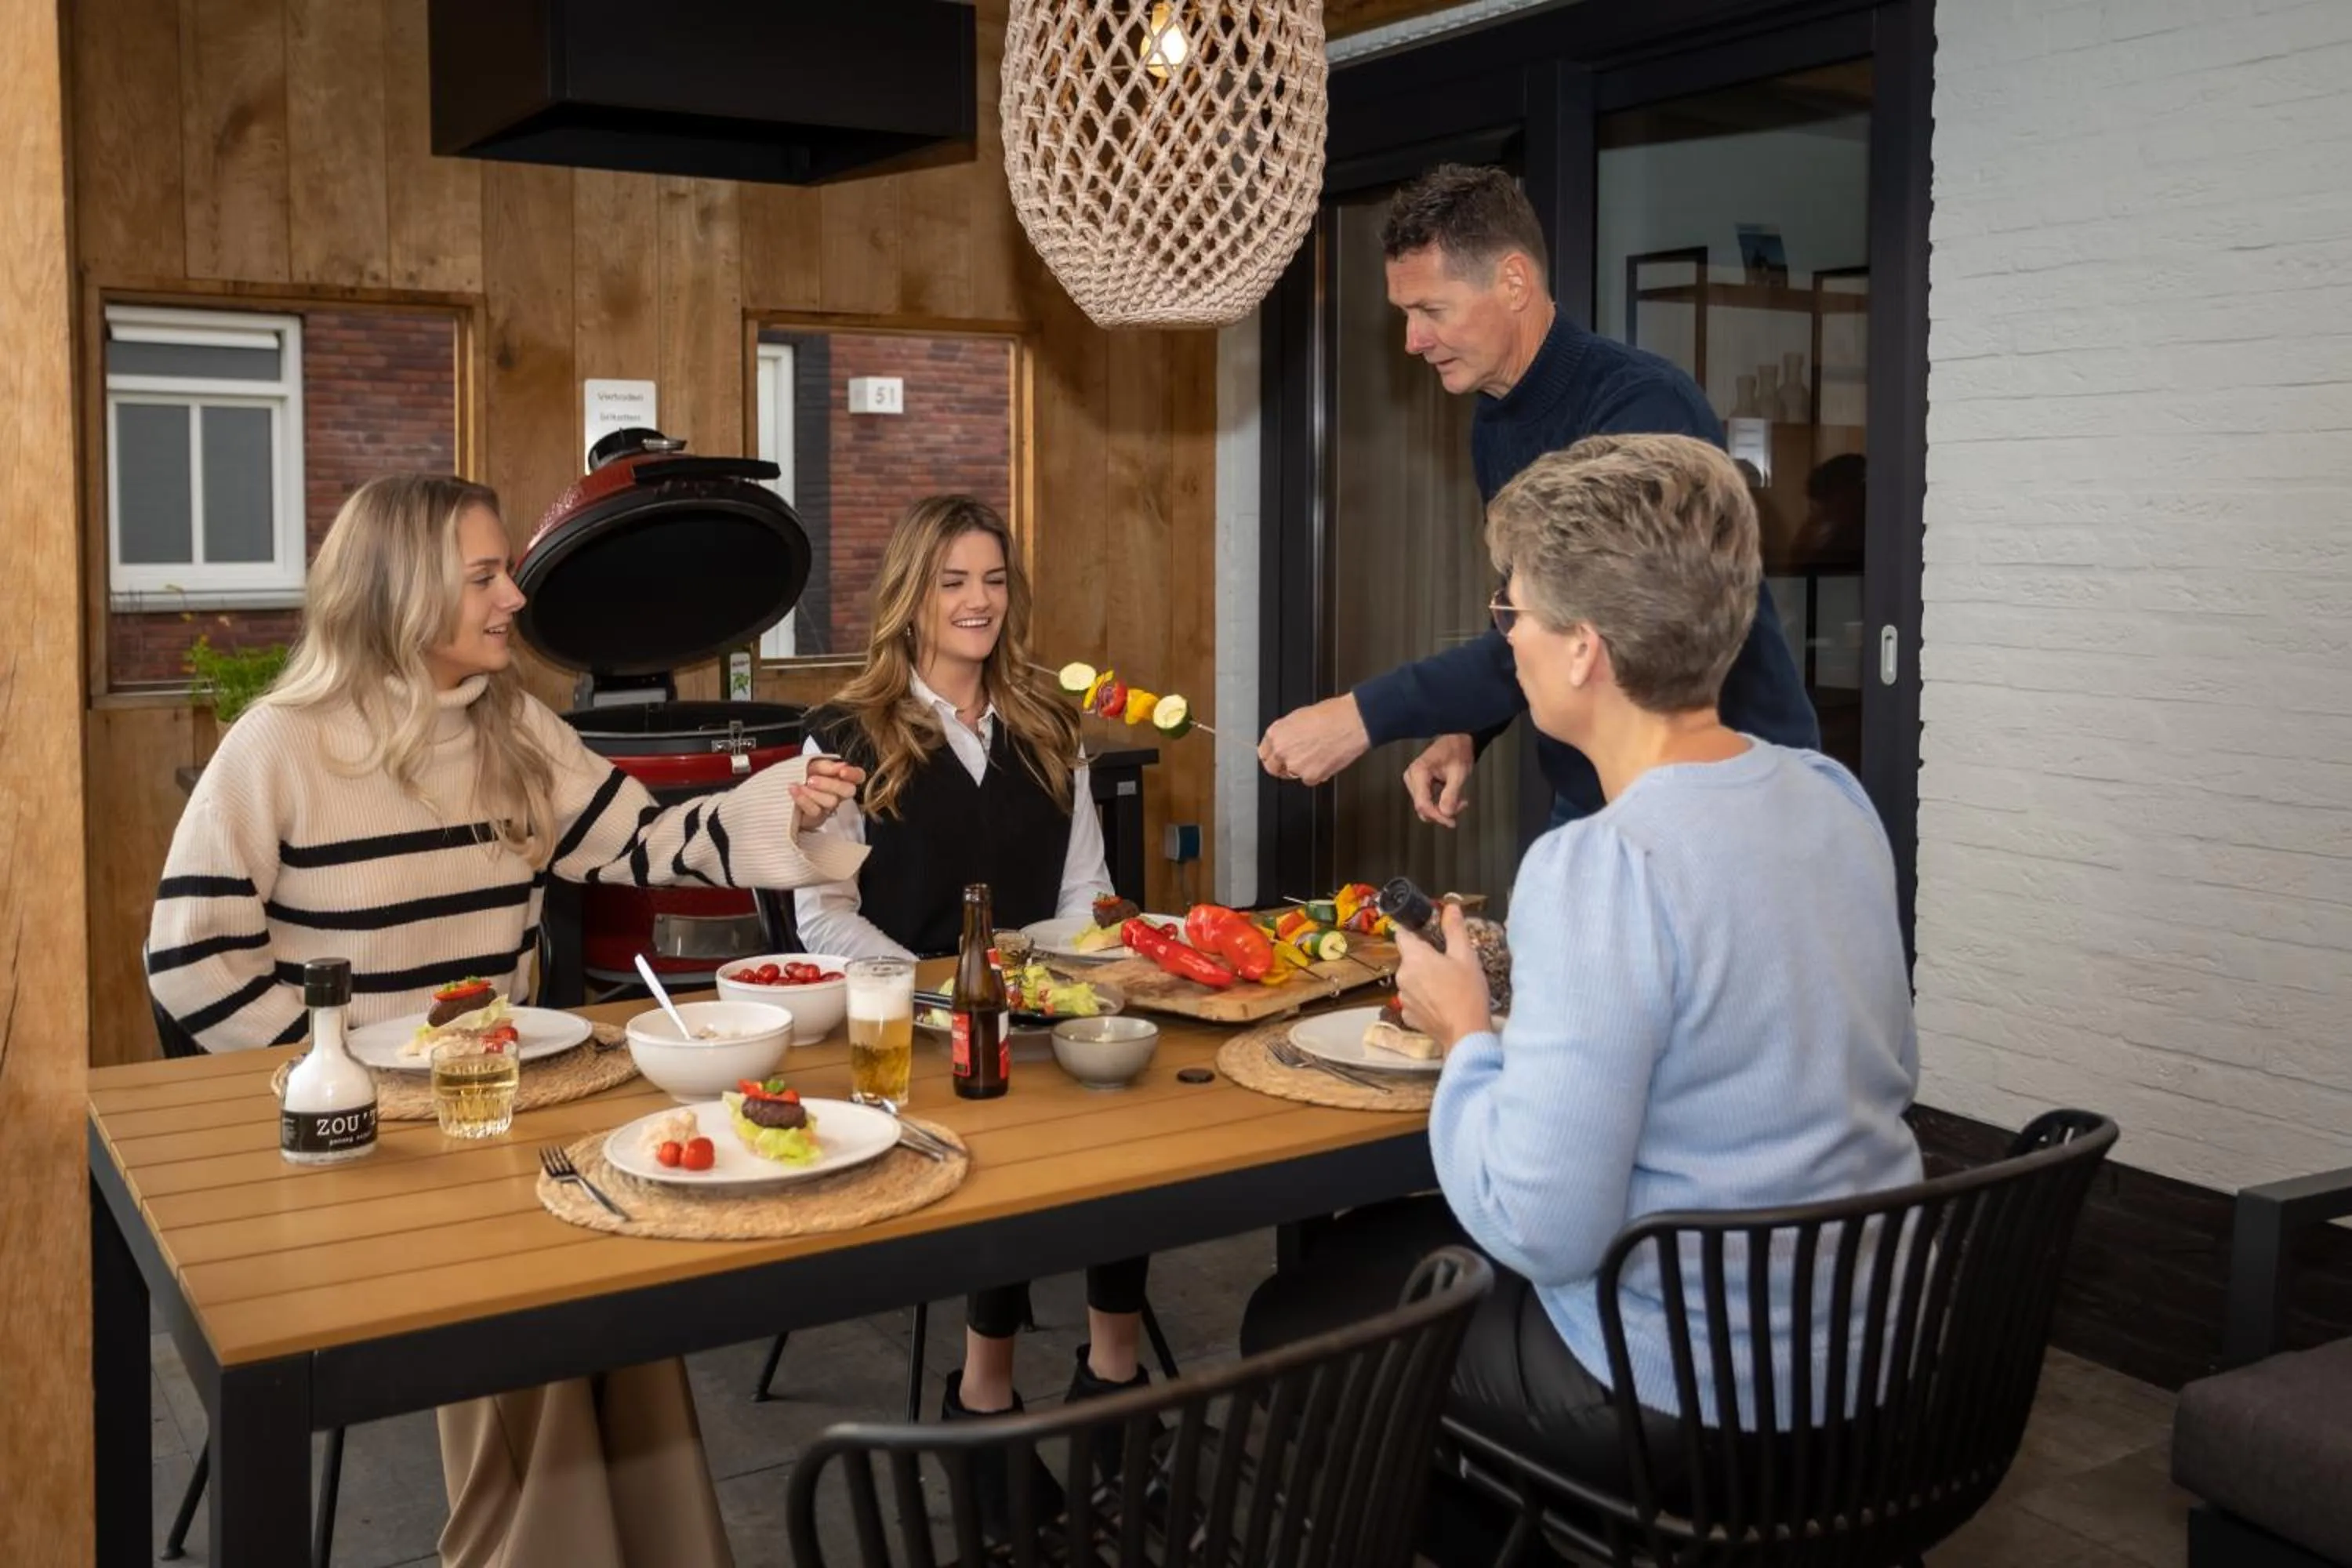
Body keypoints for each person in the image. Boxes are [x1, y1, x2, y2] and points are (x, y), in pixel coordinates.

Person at [147, 474, 869, 1568]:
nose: (516, 600)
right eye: (485, 576)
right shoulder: (277, 748)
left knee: (626, 1292)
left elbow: (645, 844)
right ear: (397, 590)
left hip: (497, 1120)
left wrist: (783, 798)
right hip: (359, 1158)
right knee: (541, 1305)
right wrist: (338, 1079)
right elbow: (192, 963)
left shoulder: (512, 727)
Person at [1240, 435, 1920, 1555]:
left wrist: (1468, 1036)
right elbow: (1832, 1058)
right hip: (1866, 1355)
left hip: (1697, 1394)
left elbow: (1543, 1227)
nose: (1504, 644)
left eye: (1513, 617)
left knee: (1302, 1313)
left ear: (1584, 652)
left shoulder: (1599, 866)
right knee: (1379, 1268)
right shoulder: (1831, 795)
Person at [1256, 164, 1820, 829]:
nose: (1413, 341)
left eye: (1431, 310)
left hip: (1724, 791)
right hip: (1598, 788)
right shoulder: (1495, 418)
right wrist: (1469, 725)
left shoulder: (1640, 405)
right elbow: (1526, 616)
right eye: (1406, 315)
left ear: (1514, 282)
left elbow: (1584, 624)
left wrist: (1363, 716)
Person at [792, 495, 1148, 1535]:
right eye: (952, 581)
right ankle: (986, 1394)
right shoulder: (843, 736)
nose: (977, 601)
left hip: (1051, 1004)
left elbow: (1087, 893)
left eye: (992, 580)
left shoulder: (1050, 724)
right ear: (911, 597)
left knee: (1124, 1106)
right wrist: (940, 992)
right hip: (920, 1033)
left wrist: (1075, 983)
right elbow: (823, 919)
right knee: (1008, 1137)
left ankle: (1113, 1379)